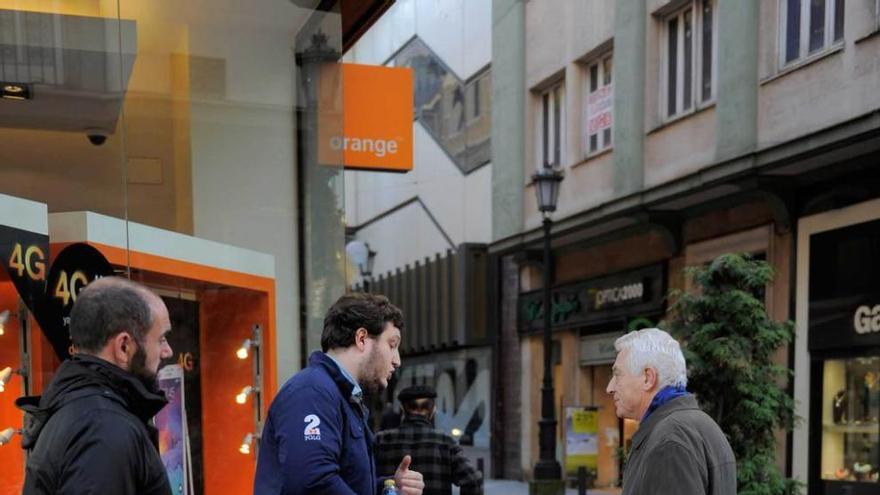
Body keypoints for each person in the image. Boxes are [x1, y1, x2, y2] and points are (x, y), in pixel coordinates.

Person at [254, 293, 425, 495]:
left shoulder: (339, 395)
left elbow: (335, 480)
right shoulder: (312, 392)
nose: (397, 360)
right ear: (361, 338)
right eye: (392, 345)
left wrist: (388, 488)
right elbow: (313, 482)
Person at [17, 277, 174, 495]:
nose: (168, 351)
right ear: (124, 346)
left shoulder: (86, 412)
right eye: (161, 339)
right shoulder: (103, 427)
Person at [606, 328, 736, 495]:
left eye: (618, 375)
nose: (610, 388)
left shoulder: (669, 439)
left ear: (648, 378)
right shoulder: (701, 424)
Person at [375, 385, 483, 495]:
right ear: (433, 410)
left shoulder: (381, 439)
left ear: (402, 409)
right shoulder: (446, 442)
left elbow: (366, 480)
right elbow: (473, 481)